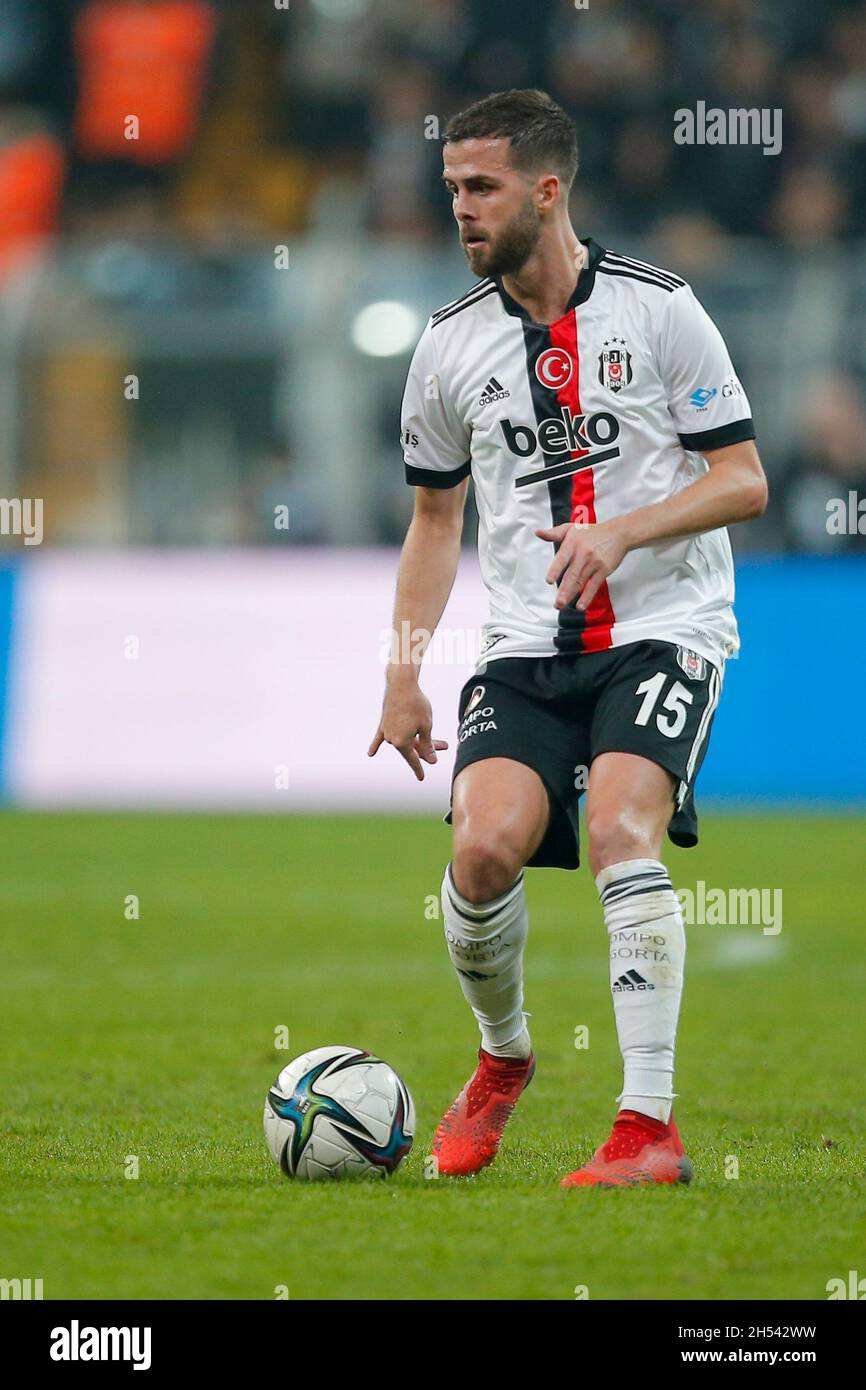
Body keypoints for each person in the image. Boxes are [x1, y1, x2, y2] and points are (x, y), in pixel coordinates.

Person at [368, 89, 767, 1188]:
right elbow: (433, 521)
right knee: (481, 849)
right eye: (452, 187)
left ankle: (646, 1127)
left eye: (480, 186)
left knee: (619, 833)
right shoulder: (446, 347)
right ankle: (502, 1060)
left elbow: (743, 480)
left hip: (662, 627)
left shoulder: (660, 311)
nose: (459, 207)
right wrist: (401, 673)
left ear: (547, 190)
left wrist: (623, 530)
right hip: (522, 647)